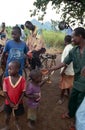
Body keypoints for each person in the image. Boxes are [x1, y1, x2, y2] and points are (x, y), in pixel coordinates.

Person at [49, 27, 85, 130]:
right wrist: (51, 68)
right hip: (77, 80)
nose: (72, 39)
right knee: (73, 99)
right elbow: (64, 63)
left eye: (74, 37)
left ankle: (76, 122)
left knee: (80, 103)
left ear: (80, 36)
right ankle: (70, 113)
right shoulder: (74, 50)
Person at [0, 26, 29, 113]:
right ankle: (6, 103)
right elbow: (3, 54)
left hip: (19, 71)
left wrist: (27, 61)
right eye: (12, 34)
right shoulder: (9, 43)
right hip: (9, 70)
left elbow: (26, 54)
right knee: (7, 86)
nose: (13, 35)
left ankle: (18, 102)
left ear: (20, 34)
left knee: (18, 86)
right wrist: (2, 62)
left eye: (15, 34)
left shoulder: (23, 44)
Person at [1, 60, 26, 130]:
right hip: (8, 103)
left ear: (17, 70)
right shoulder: (5, 80)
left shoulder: (22, 80)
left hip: (18, 103)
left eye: (10, 69)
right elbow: (5, 93)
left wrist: (18, 103)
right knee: (6, 116)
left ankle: (16, 123)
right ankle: (6, 126)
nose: (8, 71)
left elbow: (23, 93)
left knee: (17, 115)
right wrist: (10, 102)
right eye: (8, 69)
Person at [58, 35, 74, 104]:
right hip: (70, 70)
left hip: (67, 71)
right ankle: (68, 95)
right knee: (67, 84)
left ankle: (61, 99)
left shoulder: (67, 48)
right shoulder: (71, 47)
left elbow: (66, 62)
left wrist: (63, 71)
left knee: (63, 85)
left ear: (65, 41)